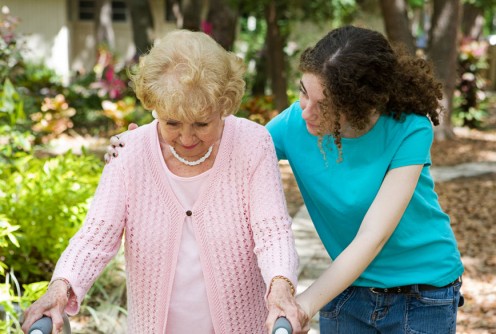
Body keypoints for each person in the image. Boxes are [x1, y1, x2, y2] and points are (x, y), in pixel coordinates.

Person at [106, 25, 465, 333]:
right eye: (303, 93)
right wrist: (148, 149)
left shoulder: (409, 130)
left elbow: (373, 236)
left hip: (423, 292)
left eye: (323, 105)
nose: (306, 110)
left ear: (359, 105)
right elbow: (234, 151)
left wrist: (302, 304)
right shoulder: (296, 123)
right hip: (347, 287)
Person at [21, 29, 309, 334]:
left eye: (201, 123)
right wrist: (59, 289)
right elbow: (95, 238)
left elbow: (272, 231)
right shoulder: (129, 153)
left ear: (224, 105)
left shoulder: (252, 143)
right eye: (171, 122)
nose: (186, 138)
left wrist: (280, 288)